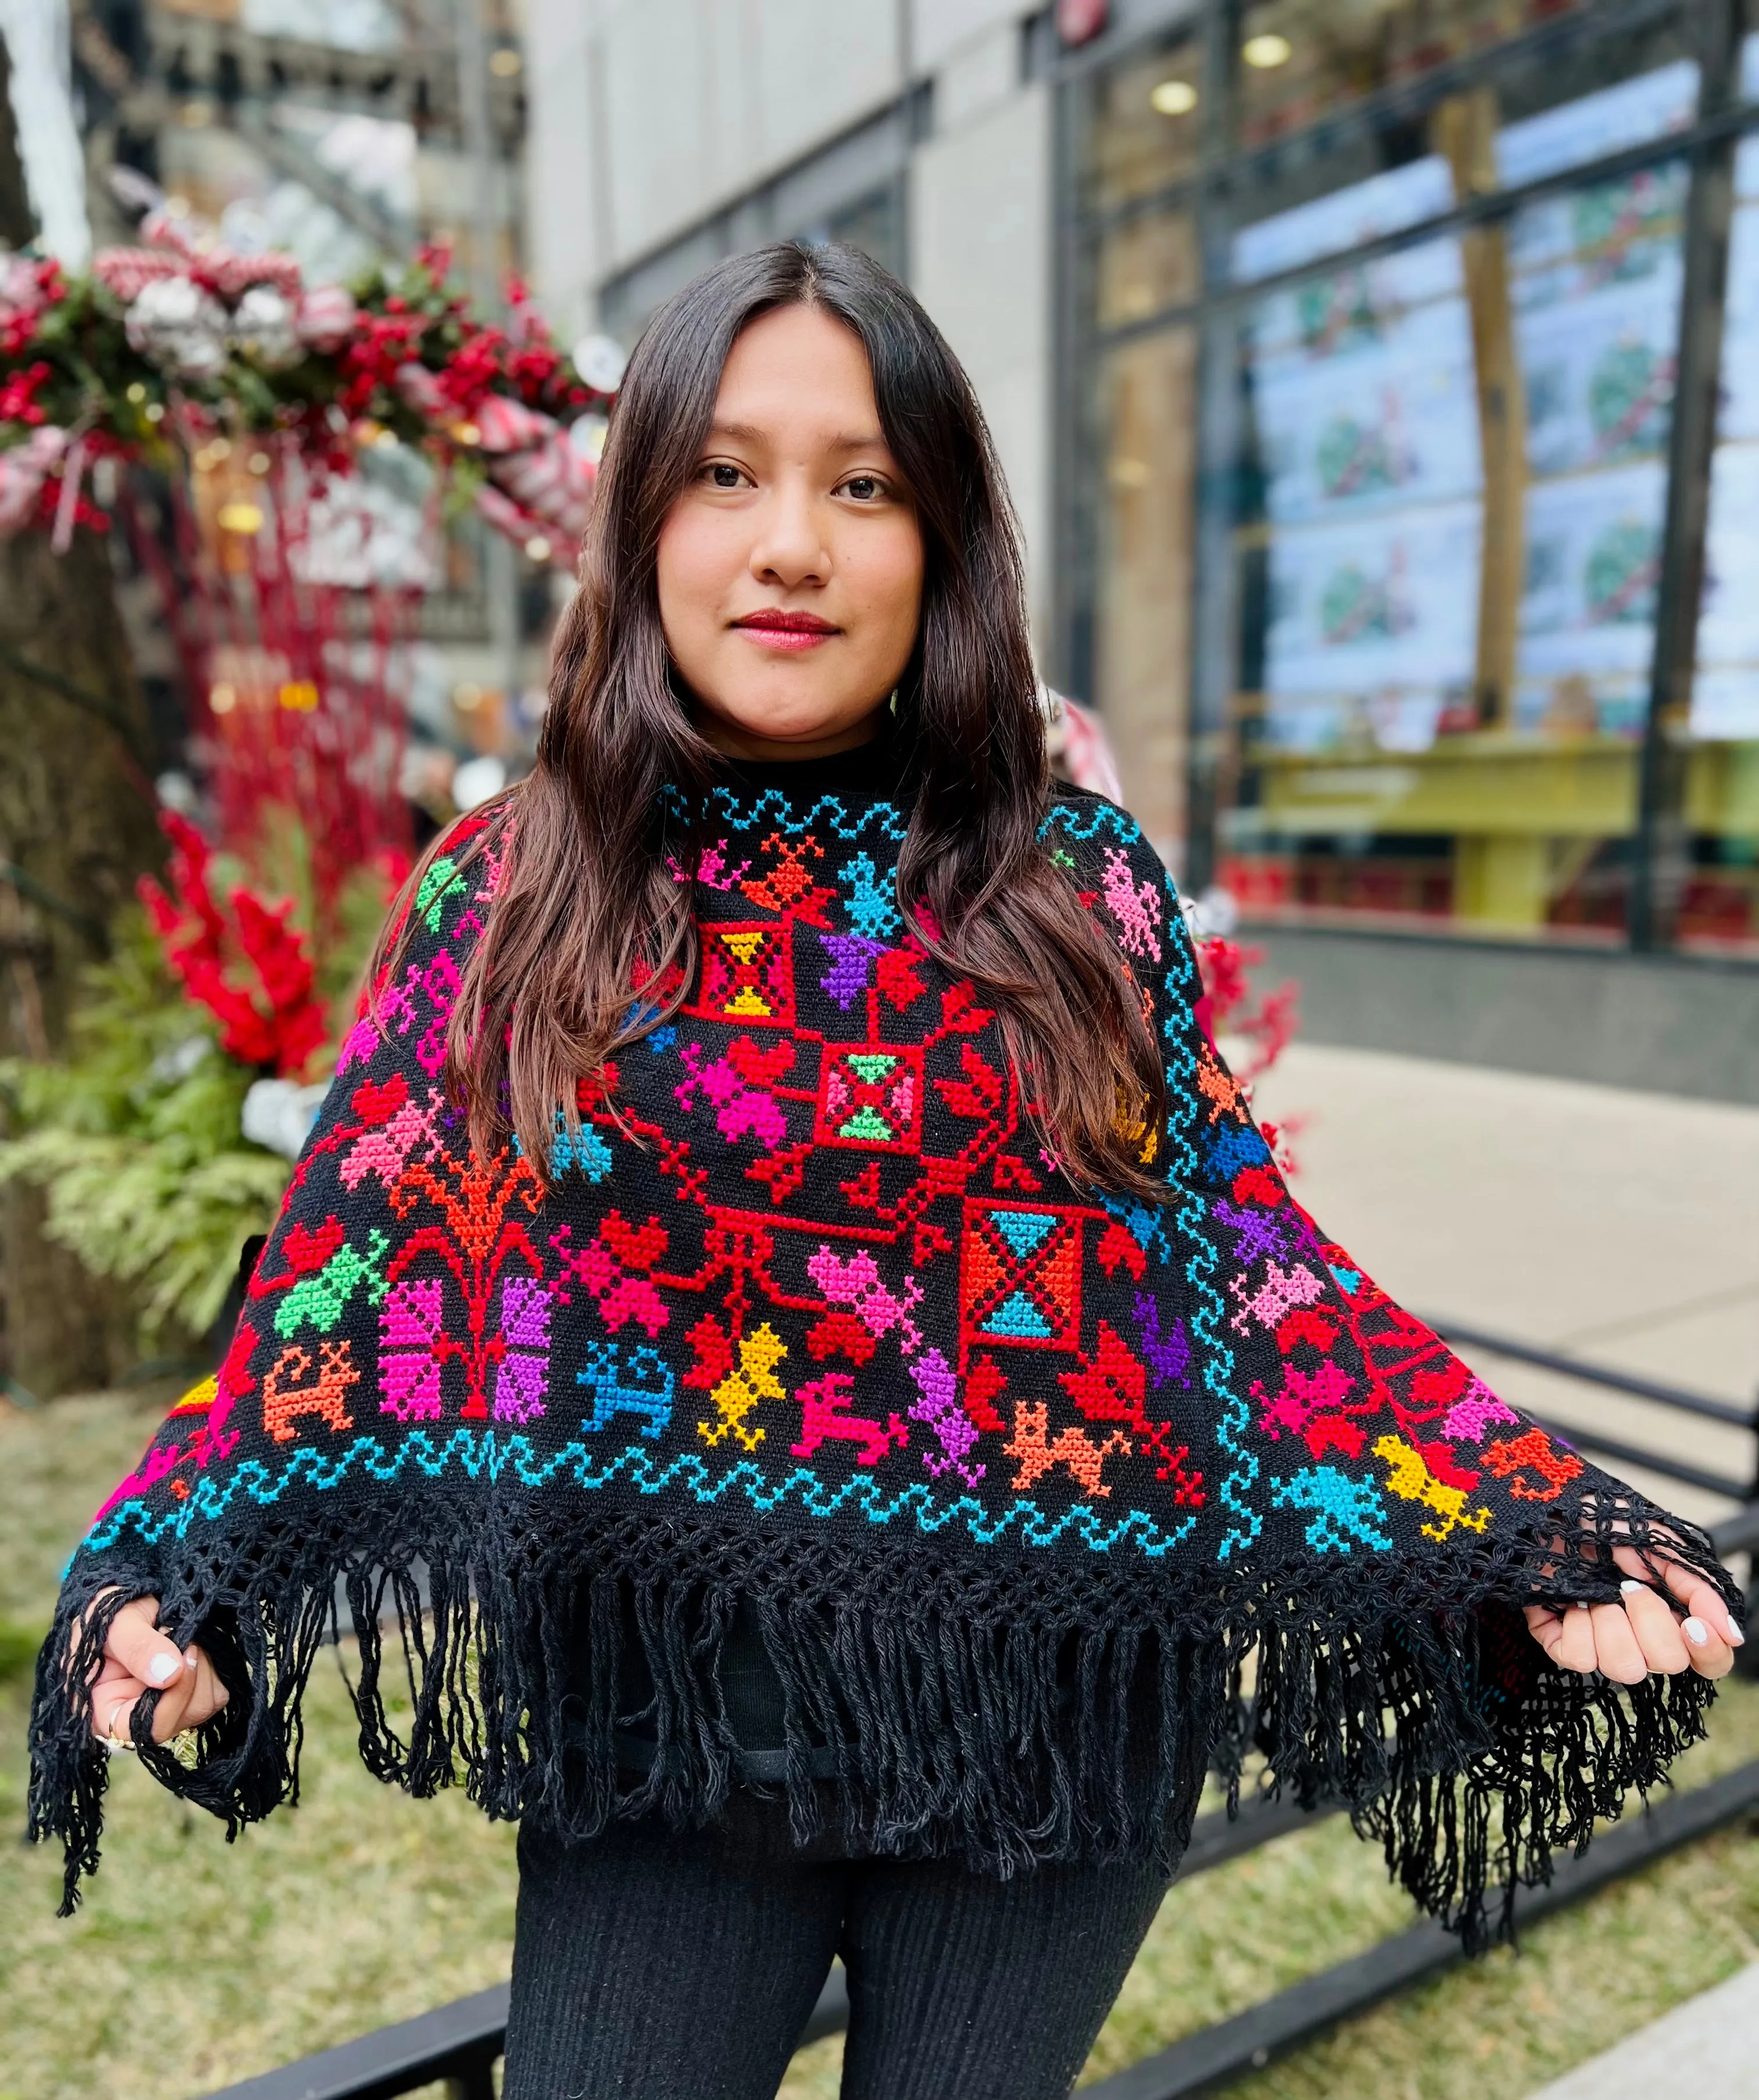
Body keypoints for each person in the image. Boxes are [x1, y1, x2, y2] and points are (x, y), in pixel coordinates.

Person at [31, 243, 1743, 2100]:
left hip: (1060, 1707)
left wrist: (1512, 1523)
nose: (793, 545)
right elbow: (349, 1265)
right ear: (642, 522)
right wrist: (171, 1567)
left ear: (942, 545)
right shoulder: (518, 893)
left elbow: (1251, 1271)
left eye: (865, 485)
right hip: (672, 1720)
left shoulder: (1071, 890)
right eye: (727, 473)